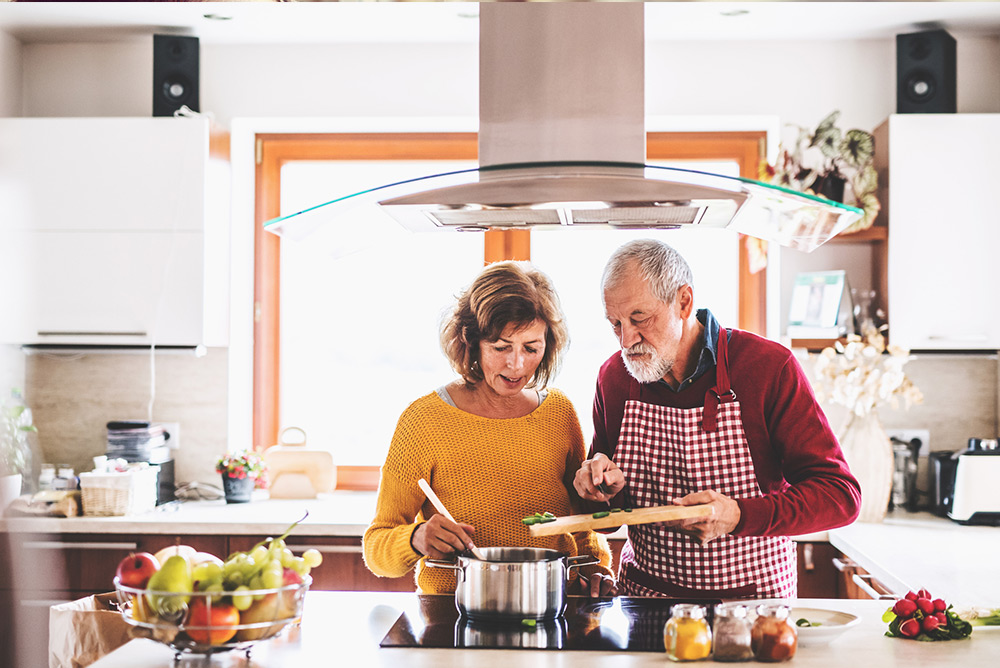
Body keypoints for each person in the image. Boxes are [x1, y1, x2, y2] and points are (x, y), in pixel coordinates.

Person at [574, 239, 860, 598]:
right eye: (615, 323)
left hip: (753, 606)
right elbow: (603, 514)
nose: (627, 340)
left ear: (683, 301)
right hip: (646, 603)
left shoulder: (767, 368)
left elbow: (840, 496)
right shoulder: (614, 378)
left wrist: (738, 515)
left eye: (639, 318)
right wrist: (601, 490)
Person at [363, 261, 615, 596]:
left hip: (551, 602)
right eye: (500, 347)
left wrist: (595, 566)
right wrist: (415, 538)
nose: (517, 364)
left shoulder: (559, 412)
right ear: (471, 342)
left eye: (531, 347)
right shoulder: (424, 421)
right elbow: (377, 548)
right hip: (454, 613)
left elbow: (581, 521)